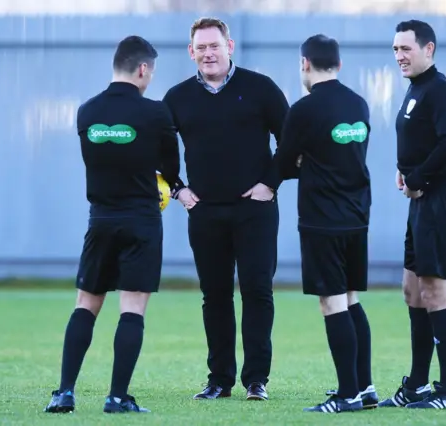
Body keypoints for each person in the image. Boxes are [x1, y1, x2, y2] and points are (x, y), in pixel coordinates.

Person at [43, 35, 183, 414]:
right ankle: (117, 397)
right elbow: (171, 169)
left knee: (86, 305)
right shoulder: (155, 114)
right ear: (142, 69)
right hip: (141, 221)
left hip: (100, 220)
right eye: (150, 73)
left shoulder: (87, 112)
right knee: (132, 309)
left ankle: (64, 392)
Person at [162, 17, 289, 401]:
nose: (208, 53)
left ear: (229, 46)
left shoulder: (261, 89)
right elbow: (161, 155)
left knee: (257, 292)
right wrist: (180, 190)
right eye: (200, 47)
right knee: (214, 296)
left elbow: (291, 141)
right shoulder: (177, 98)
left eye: (214, 45)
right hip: (205, 213)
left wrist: (271, 184)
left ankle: (256, 380)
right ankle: (219, 380)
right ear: (191, 52)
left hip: (255, 211)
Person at [273, 34, 377, 414]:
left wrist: (301, 162)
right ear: (339, 65)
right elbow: (348, 156)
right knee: (351, 300)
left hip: (322, 220)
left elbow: (283, 164)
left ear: (304, 64)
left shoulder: (304, 110)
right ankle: (365, 388)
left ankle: (346, 394)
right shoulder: (359, 103)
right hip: (357, 217)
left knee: (332, 304)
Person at [378, 20, 446, 410]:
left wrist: (417, 175)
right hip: (421, 201)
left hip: (442, 200)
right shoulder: (416, 88)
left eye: (406, 49)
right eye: (395, 49)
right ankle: (415, 386)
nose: (399, 55)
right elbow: (422, 140)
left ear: (428, 49)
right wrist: (405, 170)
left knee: (435, 292)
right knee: (412, 291)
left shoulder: (440, 90)